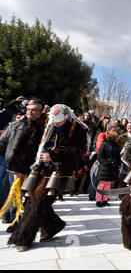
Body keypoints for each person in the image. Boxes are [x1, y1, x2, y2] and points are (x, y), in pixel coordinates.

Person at [7, 104, 88, 251]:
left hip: (59, 170)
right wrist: (17, 167)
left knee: (38, 200)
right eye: (54, 120)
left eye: (60, 121)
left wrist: (54, 154)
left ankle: (23, 238)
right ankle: (52, 226)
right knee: (29, 199)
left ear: (67, 117)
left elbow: (78, 152)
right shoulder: (44, 124)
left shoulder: (77, 129)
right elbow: (28, 145)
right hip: (38, 168)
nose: (56, 123)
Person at [0, 99, 47, 232]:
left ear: (40, 112)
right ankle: (14, 219)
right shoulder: (15, 125)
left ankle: (26, 220)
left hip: (33, 169)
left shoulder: (44, 128)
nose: (29, 112)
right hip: (14, 166)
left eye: (33, 110)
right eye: (28, 109)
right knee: (14, 193)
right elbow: (2, 143)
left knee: (28, 196)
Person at [96, 129, 121, 207]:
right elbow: (100, 156)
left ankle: (105, 200)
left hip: (112, 167)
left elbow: (118, 156)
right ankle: (98, 201)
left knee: (108, 185)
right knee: (101, 184)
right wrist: (106, 162)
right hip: (105, 167)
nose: (117, 137)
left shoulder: (116, 145)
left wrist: (117, 163)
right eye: (116, 136)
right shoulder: (105, 143)